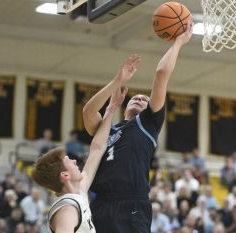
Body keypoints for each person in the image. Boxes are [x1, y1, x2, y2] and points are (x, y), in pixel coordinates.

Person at [82, 23, 193, 233]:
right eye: (135, 97)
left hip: (132, 203)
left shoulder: (148, 123)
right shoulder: (108, 130)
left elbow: (161, 73)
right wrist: (117, 81)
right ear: (125, 106)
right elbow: (88, 111)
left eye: (145, 99)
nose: (139, 98)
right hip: (101, 204)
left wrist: (179, 41)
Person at [31, 88, 126, 233]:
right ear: (65, 175)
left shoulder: (78, 192)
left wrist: (111, 109)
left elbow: (97, 149)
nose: (75, 162)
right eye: (70, 160)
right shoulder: (67, 209)